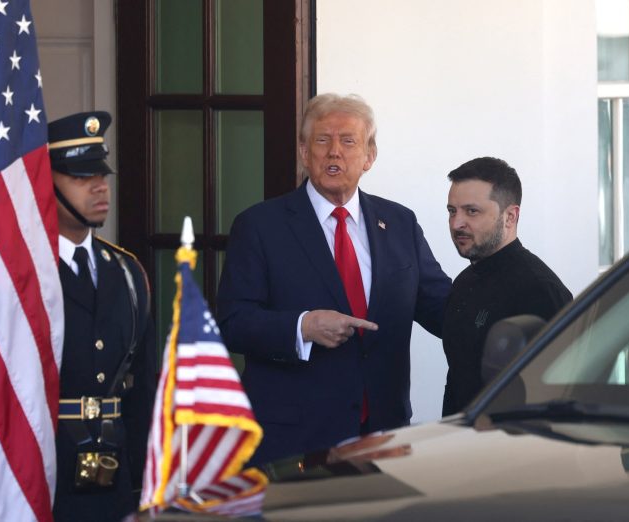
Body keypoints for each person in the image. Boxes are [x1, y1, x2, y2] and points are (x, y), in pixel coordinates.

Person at [217, 93, 451, 464]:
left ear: (369, 156)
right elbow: (233, 322)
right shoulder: (260, 226)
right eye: (322, 140)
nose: (334, 152)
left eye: (348, 141)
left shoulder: (399, 223)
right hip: (296, 438)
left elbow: (442, 308)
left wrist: (503, 301)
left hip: (382, 432)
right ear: (304, 152)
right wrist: (302, 327)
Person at [48, 111, 155, 521]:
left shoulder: (127, 271)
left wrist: (146, 479)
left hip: (112, 473)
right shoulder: (23, 271)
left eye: (102, 175)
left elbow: (143, 388)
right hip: (41, 469)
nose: (99, 187)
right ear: (45, 183)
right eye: (81, 177)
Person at [442, 156, 573, 416]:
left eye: (472, 211)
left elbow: (556, 398)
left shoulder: (540, 290)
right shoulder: (463, 282)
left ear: (510, 216)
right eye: (452, 211)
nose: (456, 223)